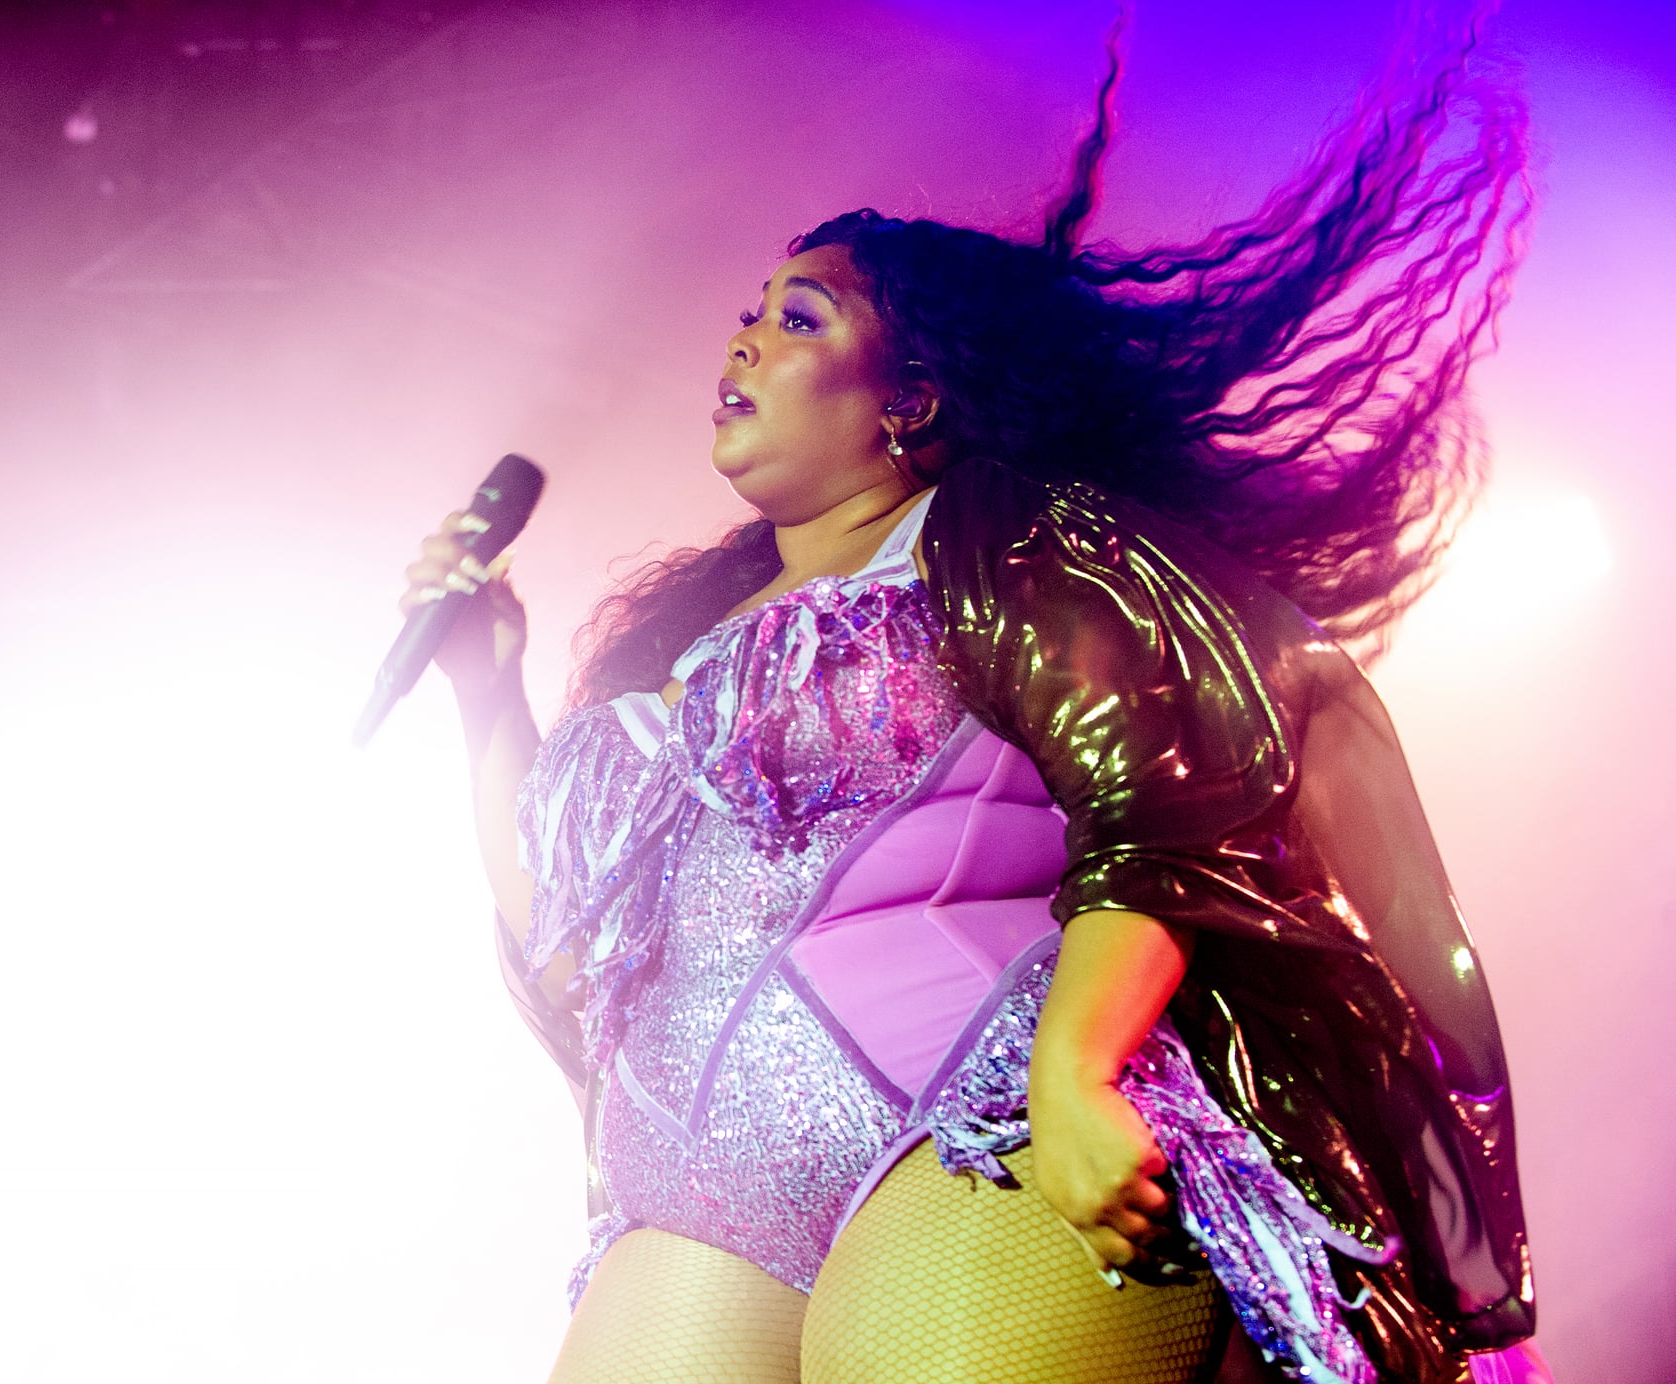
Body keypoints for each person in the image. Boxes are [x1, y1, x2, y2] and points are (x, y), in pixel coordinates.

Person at [397, 21, 1541, 1384]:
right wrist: (484, 690)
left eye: (798, 317)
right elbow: (567, 940)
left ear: (912, 401)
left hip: (973, 1129)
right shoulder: (680, 669)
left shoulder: (1012, 547)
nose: (746, 336)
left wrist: (1080, 1066)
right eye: (751, 310)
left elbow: (1171, 805)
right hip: (698, 1202)